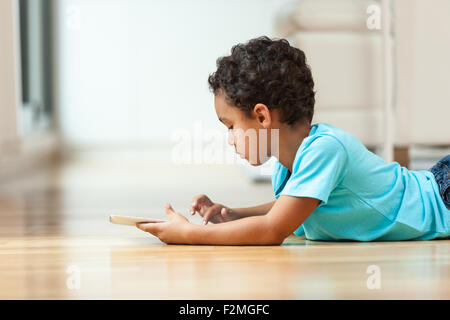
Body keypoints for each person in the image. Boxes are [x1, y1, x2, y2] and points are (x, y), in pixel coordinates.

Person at [137, 36, 450, 244]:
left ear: (262, 116)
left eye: (231, 126)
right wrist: (233, 214)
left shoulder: (326, 149)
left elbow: (274, 229)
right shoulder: (288, 170)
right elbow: (290, 209)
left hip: (441, 197)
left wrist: (188, 234)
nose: (230, 140)